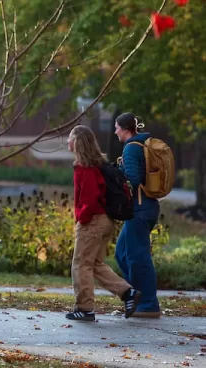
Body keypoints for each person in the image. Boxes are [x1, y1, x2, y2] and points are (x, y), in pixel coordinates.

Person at [66, 125, 141, 322]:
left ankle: (85, 308)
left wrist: (81, 218)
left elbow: (90, 200)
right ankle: (127, 293)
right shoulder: (96, 166)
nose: (67, 142)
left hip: (93, 221)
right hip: (104, 220)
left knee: (80, 264)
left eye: (70, 138)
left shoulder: (86, 168)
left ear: (78, 142)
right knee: (95, 264)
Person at [114, 112, 162, 318]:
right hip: (145, 208)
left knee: (138, 257)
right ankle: (136, 299)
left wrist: (116, 176)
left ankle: (149, 304)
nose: (115, 131)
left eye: (116, 127)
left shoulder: (132, 148)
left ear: (125, 129)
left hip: (140, 209)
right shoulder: (139, 145)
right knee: (122, 253)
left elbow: (132, 179)